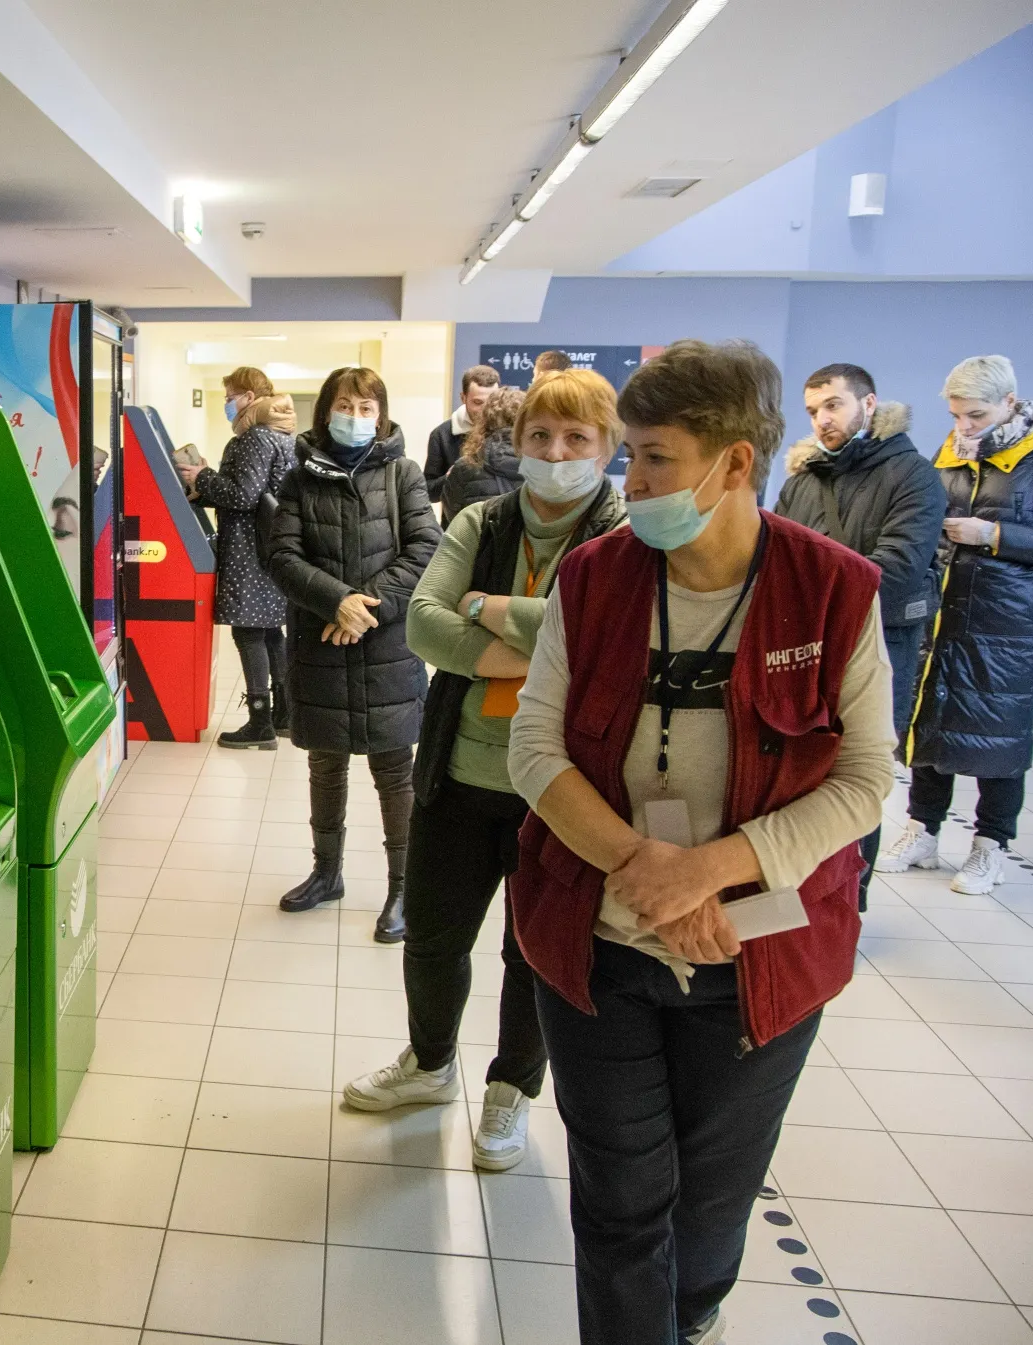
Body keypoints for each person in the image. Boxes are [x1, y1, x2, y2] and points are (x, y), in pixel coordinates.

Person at [507, 340, 893, 1345]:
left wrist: (710, 874)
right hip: (598, 946)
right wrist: (644, 874)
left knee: (710, 1203)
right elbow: (532, 746)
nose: (628, 481)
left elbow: (861, 779)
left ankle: (691, 1317)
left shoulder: (833, 590)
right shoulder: (594, 578)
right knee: (620, 1203)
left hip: (758, 953)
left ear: (732, 463)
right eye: (628, 455)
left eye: (653, 458)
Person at [346, 370, 627, 1174]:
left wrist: (487, 607)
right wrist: (541, 647)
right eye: (541, 436)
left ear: (607, 448)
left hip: (563, 791)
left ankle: (511, 1089)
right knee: (433, 939)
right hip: (459, 774)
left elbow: (607, 634)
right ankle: (430, 1064)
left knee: (532, 952)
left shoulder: (622, 536)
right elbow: (427, 627)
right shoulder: (482, 518)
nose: (556, 452)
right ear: (518, 440)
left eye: (577, 439)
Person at [879, 355, 1033, 895]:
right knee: (930, 723)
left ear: (1009, 404)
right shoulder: (951, 451)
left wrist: (992, 535)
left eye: (975, 415)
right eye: (956, 415)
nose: (963, 427)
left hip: (1007, 624)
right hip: (944, 610)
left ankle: (988, 847)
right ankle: (922, 830)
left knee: (1000, 735)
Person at [269, 366, 441, 939]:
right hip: (321, 642)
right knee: (325, 764)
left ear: (382, 415)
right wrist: (337, 601)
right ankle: (327, 873)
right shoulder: (298, 480)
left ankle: (405, 890)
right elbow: (283, 558)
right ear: (326, 412)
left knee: (395, 771)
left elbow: (425, 549)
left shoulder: (404, 475)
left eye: (367, 408)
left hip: (386, 644)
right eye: (346, 406)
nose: (356, 417)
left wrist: (365, 610)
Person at [774, 363, 945, 908]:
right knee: (795, 772)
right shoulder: (802, 480)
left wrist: (807, 603)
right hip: (798, 649)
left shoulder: (913, 475)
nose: (821, 419)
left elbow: (896, 571)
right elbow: (771, 559)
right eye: (812, 410)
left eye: (833, 405)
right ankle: (791, 895)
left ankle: (849, 903)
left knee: (856, 777)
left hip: (877, 650)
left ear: (868, 405)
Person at [182, 393, 300, 747]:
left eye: (232, 395)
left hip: (249, 551)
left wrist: (203, 477)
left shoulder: (254, 438)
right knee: (269, 633)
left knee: (248, 633)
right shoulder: (282, 437)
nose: (228, 402)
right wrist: (203, 491)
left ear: (250, 398)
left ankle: (259, 722)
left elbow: (244, 496)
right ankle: (284, 715)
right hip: (270, 548)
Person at [439, 385, 526, 521]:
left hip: (476, 540)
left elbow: (453, 518)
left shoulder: (465, 467)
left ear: (484, 421)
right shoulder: (542, 465)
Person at [424, 364, 501, 507]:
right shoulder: (442, 435)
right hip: (457, 522)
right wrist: (451, 477)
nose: (484, 410)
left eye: (491, 402)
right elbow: (428, 491)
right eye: (477, 402)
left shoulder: (509, 431)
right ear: (463, 398)